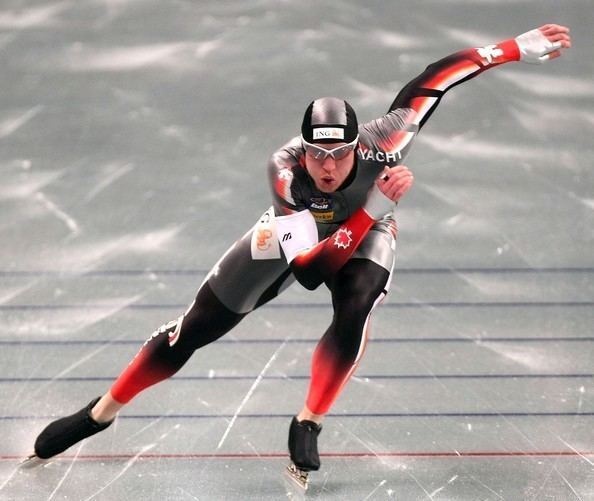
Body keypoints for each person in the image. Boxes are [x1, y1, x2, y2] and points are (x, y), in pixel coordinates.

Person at [31, 24, 571, 488]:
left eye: (339, 154)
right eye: (317, 154)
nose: (328, 167)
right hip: (309, 233)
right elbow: (311, 273)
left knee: (357, 303)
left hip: (368, 226)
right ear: (303, 148)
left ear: (357, 145)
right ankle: (101, 413)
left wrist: (513, 48)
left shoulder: (388, 139)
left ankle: (308, 420)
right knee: (192, 332)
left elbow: (438, 76)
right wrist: (372, 205)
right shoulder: (286, 174)